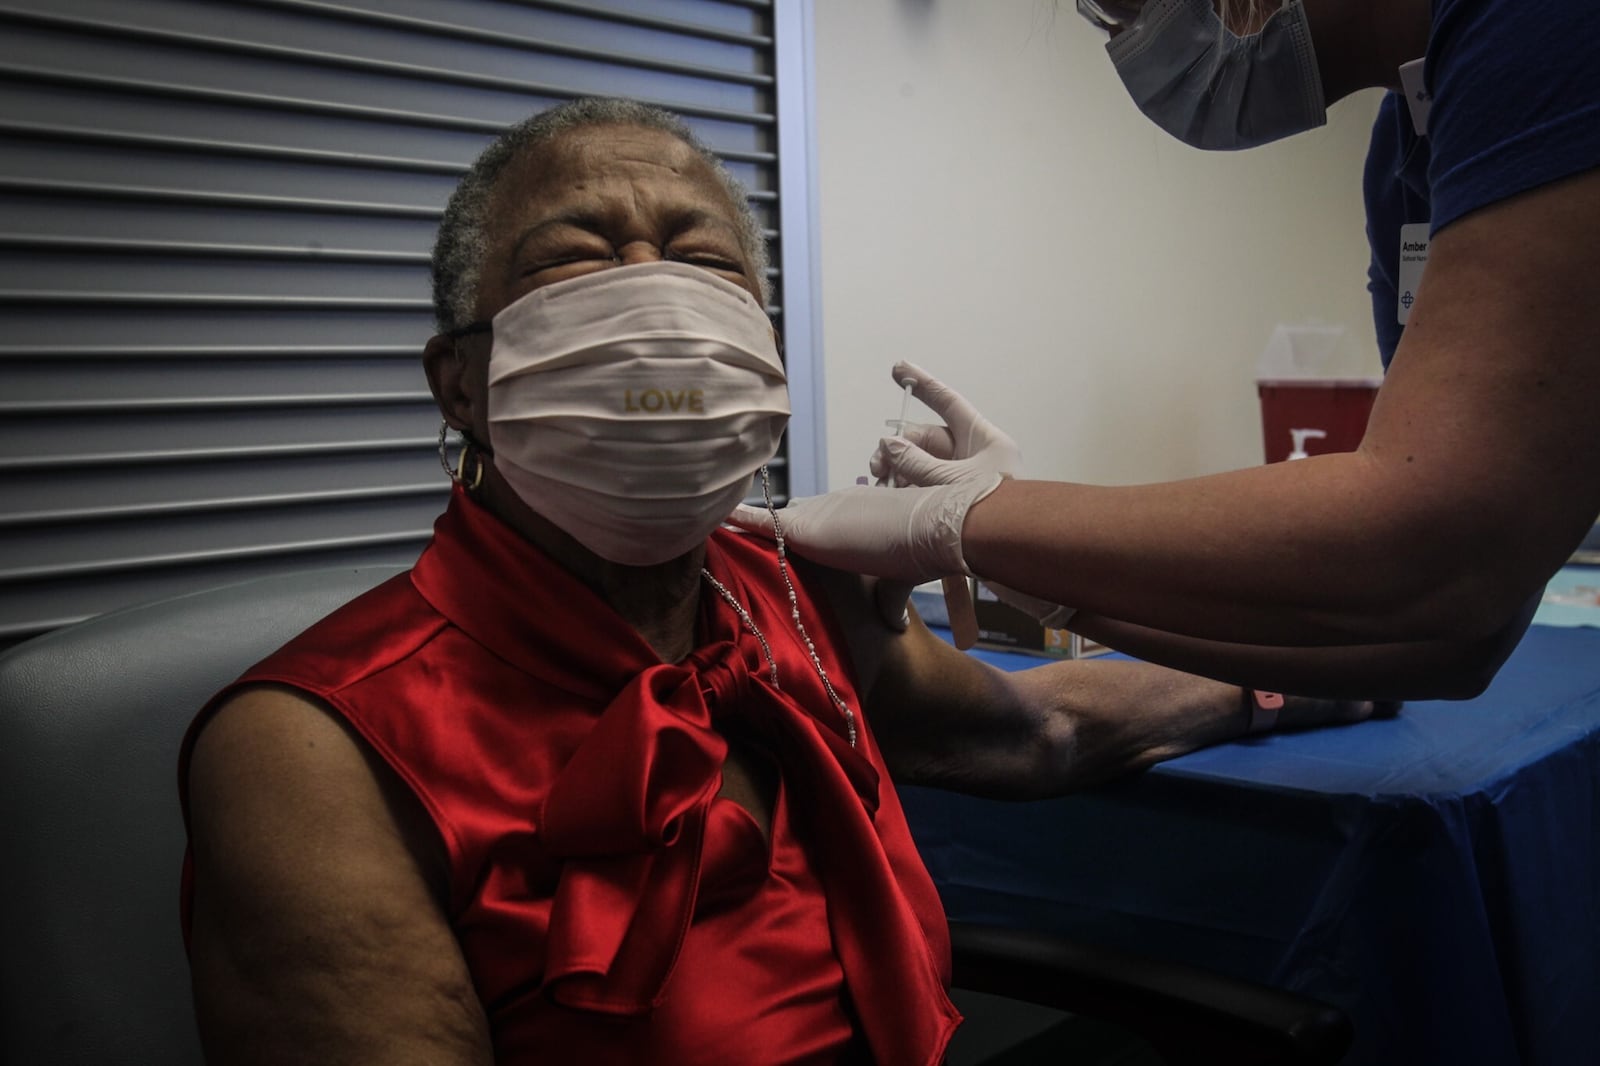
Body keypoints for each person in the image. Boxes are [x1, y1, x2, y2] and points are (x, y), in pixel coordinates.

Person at [179, 97, 1377, 1065]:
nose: (651, 297)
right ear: (460, 385)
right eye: (576, 261)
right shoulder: (312, 750)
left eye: (702, 263)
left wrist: (1288, 685)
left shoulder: (781, 587)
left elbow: (1032, 729)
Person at [734, 0, 1600, 702]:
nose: (1144, 40)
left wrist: (984, 523)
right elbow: (1452, 640)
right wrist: (1035, 570)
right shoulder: (1406, 154)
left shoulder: (1547, 27)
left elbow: (1441, 550)